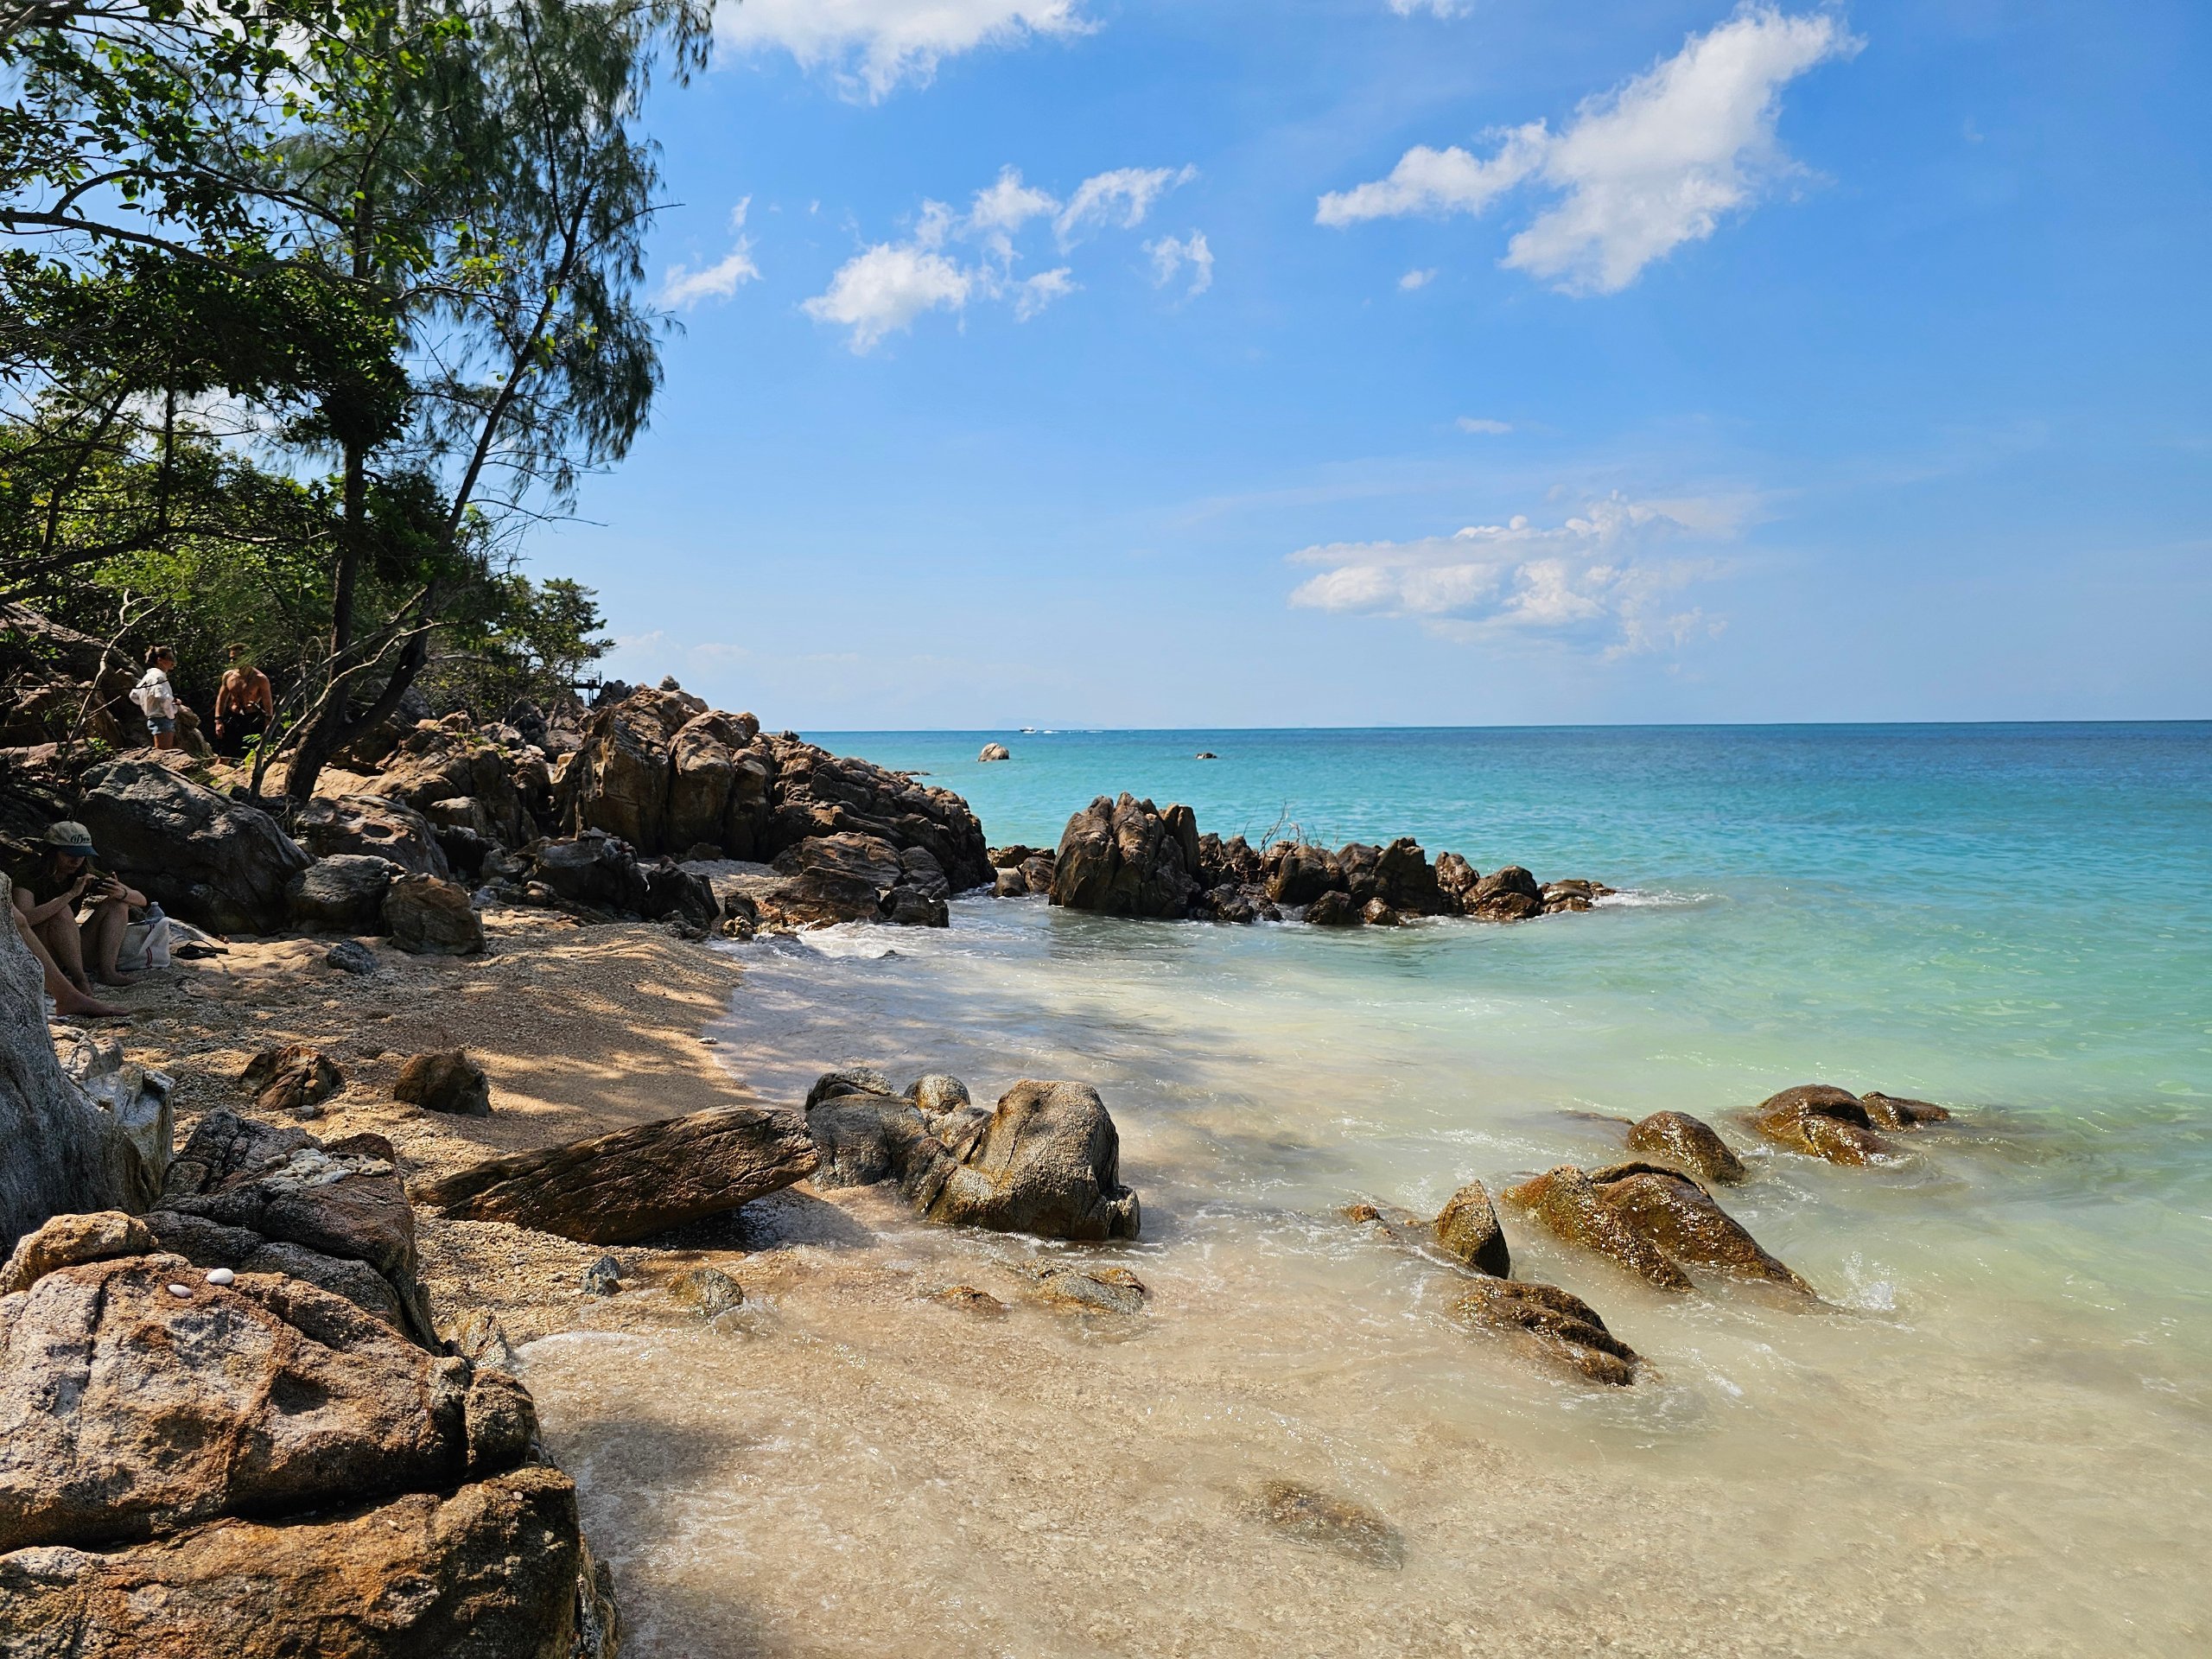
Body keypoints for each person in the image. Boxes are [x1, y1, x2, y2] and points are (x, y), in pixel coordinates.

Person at [9, 821, 138, 1018]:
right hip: (39, 951)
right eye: (69, 854)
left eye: (81, 855)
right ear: (53, 852)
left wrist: (121, 893)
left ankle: (108, 971)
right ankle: (80, 979)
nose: (76, 861)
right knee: (63, 911)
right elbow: (23, 920)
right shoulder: (29, 876)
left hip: (69, 949)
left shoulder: (83, 873)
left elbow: (141, 899)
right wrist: (69, 895)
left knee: (117, 905)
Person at [213, 643, 275, 757]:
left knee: (250, 755)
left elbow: (267, 703)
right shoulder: (228, 676)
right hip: (233, 717)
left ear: (246, 657)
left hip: (252, 720)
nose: (232, 662)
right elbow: (221, 699)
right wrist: (218, 721)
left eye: (235, 659)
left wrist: (268, 724)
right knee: (225, 754)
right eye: (231, 658)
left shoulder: (260, 679)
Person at [131, 645, 185, 752]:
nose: (173, 662)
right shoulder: (159, 677)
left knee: (163, 753)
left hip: (155, 718)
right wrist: (174, 702)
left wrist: (148, 704)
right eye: (170, 659)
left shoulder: (149, 676)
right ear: (160, 660)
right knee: (163, 754)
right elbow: (162, 696)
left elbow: (134, 695)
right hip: (162, 719)